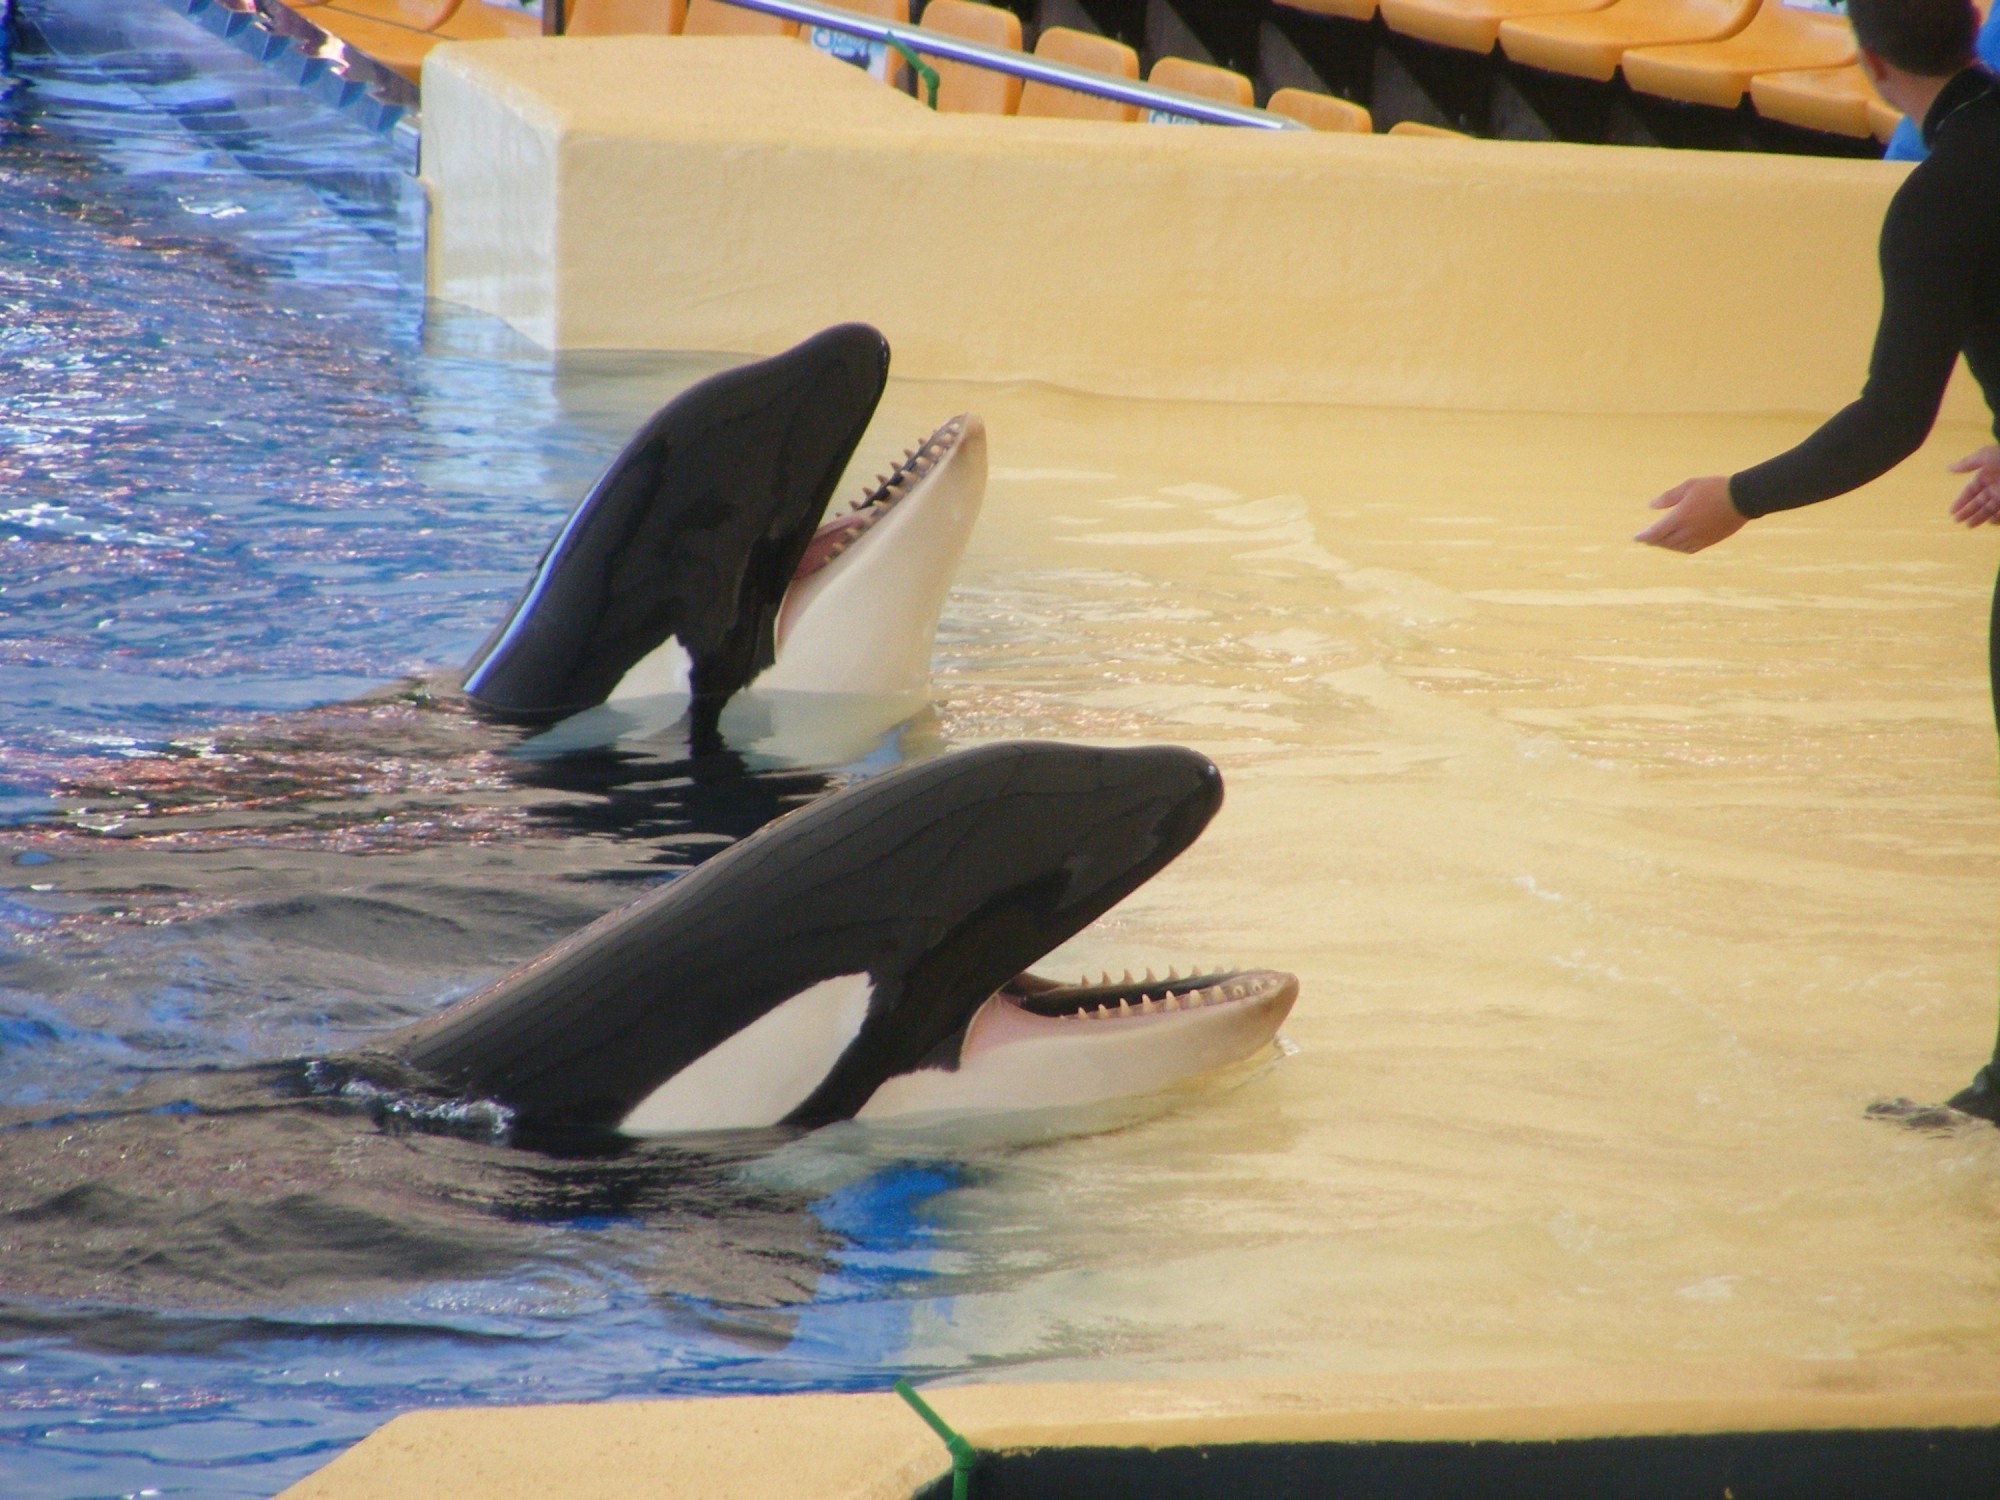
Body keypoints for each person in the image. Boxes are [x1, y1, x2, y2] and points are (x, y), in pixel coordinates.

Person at [1635, 0, 2000, 1123]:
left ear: (1869, 62)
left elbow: (1890, 420)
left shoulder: (1941, 196)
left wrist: (1738, 499)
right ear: (1974, 23)